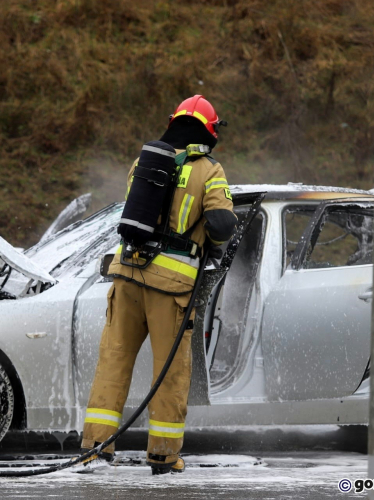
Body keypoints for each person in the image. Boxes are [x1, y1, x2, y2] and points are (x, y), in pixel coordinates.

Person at [80, 95, 237, 475]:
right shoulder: (209, 170)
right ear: (211, 131)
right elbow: (221, 226)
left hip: (127, 275)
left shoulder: (143, 162)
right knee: (169, 373)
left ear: (173, 122)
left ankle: (94, 449)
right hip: (171, 289)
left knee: (113, 362)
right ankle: (164, 456)